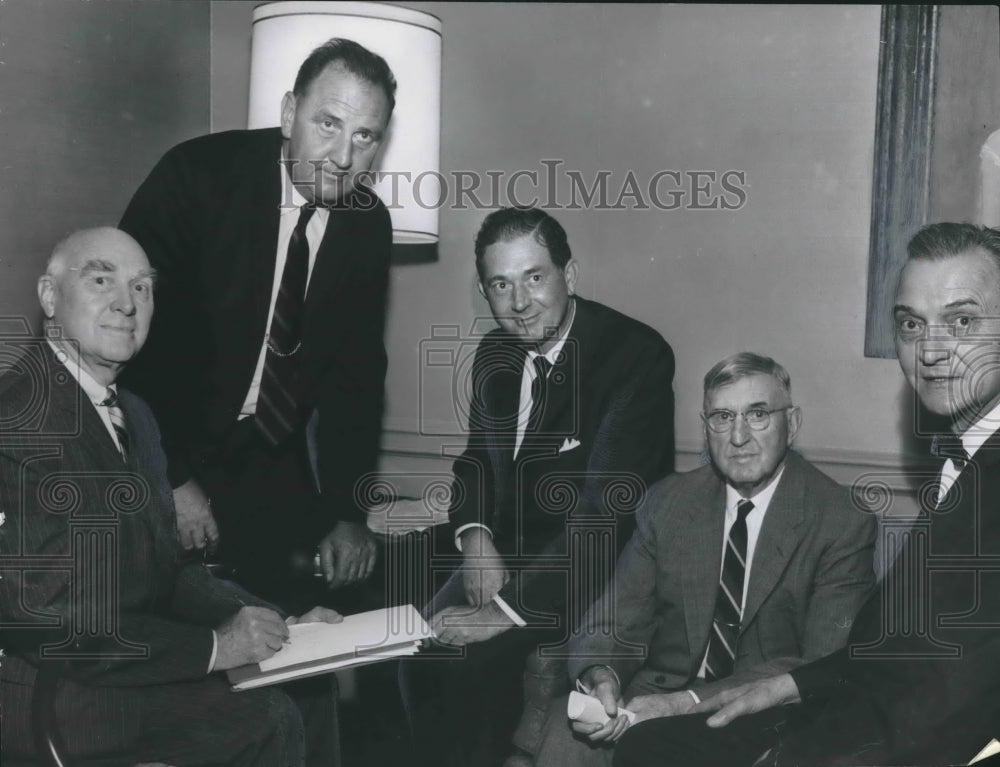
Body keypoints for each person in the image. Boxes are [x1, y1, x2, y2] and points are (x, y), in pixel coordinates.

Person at [613, 222, 1000, 767]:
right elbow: (892, 648)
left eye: (961, 320)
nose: (930, 349)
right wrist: (785, 686)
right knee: (650, 746)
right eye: (912, 323)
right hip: (860, 713)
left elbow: (953, 707)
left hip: (905, 744)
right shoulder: (963, 457)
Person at [0, 228, 341, 765]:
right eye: (100, 279)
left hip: (120, 666)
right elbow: (48, 617)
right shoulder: (21, 418)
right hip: (52, 688)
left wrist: (275, 623)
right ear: (48, 296)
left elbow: (170, 570)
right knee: (266, 717)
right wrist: (213, 649)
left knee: (310, 687)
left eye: (143, 288)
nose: (126, 303)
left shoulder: (133, 414)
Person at [118, 38, 395, 609]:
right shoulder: (197, 176)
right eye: (328, 123)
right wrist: (171, 479)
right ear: (289, 113)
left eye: (364, 136)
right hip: (161, 443)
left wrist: (347, 512)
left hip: (269, 456)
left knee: (317, 625)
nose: (342, 157)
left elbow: (357, 382)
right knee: (180, 623)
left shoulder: (367, 225)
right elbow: (128, 341)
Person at [399, 207, 676, 767]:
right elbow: (477, 463)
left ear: (568, 277)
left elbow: (605, 517)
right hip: (504, 553)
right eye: (502, 284)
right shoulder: (493, 353)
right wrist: (475, 539)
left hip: (594, 570)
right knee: (415, 651)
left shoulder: (634, 355)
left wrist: (503, 611)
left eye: (535, 277)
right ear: (484, 291)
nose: (520, 302)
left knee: (471, 667)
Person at [531, 352, 876, 767]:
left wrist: (689, 702)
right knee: (563, 737)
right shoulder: (669, 502)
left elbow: (822, 662)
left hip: (765, 709)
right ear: (706, 427)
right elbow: (616, 619)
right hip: (656, 691)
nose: (739, 436)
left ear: (793, 423)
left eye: (759, 414)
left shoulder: (840, 519)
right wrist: (602, 675)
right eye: (722, 417)